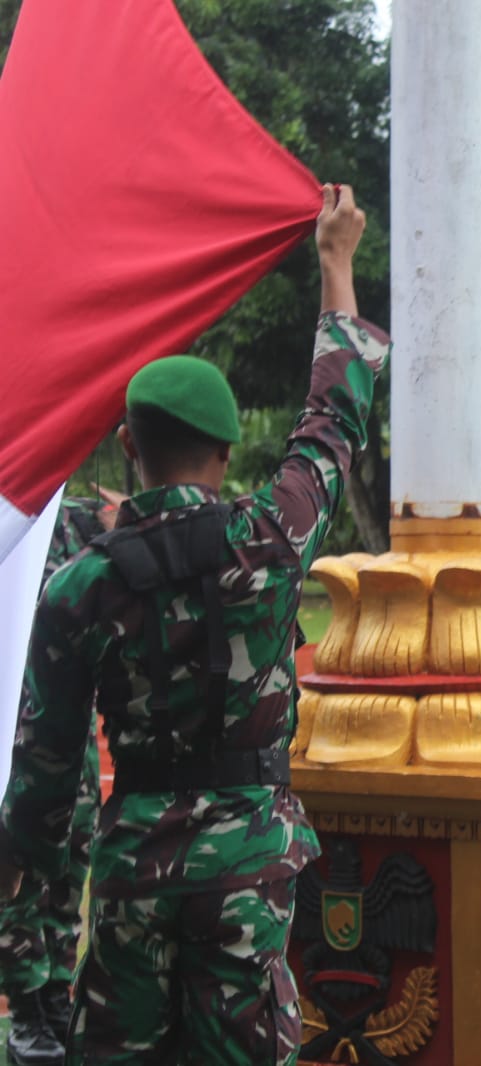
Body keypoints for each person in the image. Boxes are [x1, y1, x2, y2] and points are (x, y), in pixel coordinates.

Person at [0, 184, 388, 1065]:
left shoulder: (79, 587)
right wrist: (335, 262)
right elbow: (334, 419)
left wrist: (22, 908)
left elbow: (45, 781)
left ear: (129, 445)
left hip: (135, 872)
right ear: (224, 453)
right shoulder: (273, 538)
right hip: (250, 869)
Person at [0, 498, 110, 1065]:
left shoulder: (80, 519)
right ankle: (26, 1007)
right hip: (12, 720)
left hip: (68, 724)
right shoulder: (11, 511)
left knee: (72, 853)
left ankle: (54, 995)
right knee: (14, 862)